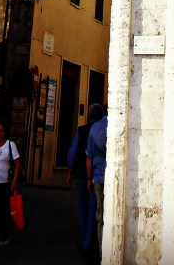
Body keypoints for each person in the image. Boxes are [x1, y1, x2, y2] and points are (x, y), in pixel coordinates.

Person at [66, 103, 103, 255]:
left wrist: (70, 172)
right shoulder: (103, 129)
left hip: (81, 174)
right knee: (93, 208)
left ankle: (83, 240)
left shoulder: (81, 130)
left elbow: (71, 155)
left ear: (88, 116)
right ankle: (90, 242)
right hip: (94, 174)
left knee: (82, 208)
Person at [85, 109, 108, 259]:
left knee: (101, 216)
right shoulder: (109, 126)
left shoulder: (95, 128)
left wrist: (89, 178)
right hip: (111, 176)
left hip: (99, 177)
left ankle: (102, 254)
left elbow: (89, 157)